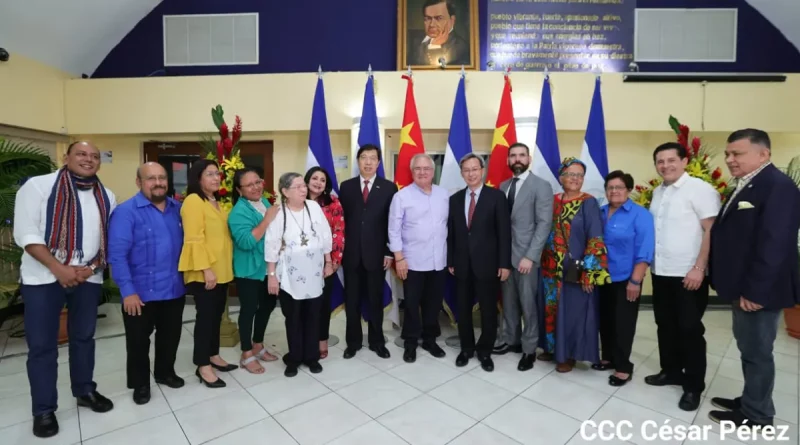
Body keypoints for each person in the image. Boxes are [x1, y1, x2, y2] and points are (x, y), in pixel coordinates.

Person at [13, 141, 116, 438]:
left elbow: (106, 239)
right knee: (43, 346)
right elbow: (26, 233)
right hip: (43, 278)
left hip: (87, 277)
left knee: (84, 338)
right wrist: (59, 268)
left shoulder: (106, 195)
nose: (89, 159)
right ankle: (44, 410)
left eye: (95, 156)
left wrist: (90, 269)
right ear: (66, 156)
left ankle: (85, 391)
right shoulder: (38, 187)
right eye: (82, 154)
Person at [708, 129, 800, 427]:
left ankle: (757, 415)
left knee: (758, 353)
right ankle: (751, 400)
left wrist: (757, 292)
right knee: (749, 349)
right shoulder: (749, 184)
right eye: (728, 154)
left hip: (759, 291)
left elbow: (775, 244)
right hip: (744, 286)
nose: (730, 160)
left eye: (737, 154)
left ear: (764, 154)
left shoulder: (778, 186)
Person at [646, 142, 720, 411]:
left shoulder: (700, 190)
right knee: (665, 325)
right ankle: (671, 371)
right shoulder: (657, 192)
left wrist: (699, 268)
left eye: (671, 160)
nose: (665, 165)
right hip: (661, 271)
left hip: (688, 274)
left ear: (684, 161)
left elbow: (711, 230)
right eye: (660, 161)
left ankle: (693, 386)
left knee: (689, 329)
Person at [108, 162, 186, 404]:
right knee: (138, 342)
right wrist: (127, 292)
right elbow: (117, 255)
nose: (158, 182)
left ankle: (165, 373)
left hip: (174, 288)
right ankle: (140, 384)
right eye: (151, 178)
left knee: (170, 337)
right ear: (139, 182)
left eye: (162, 177)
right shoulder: (126, 212)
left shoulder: (178, 209)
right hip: (139, 293)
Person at [540, 157, 611, 373]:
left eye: (579, 175)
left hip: (575, 270)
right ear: (561, 177)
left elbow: (595, 238)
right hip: (549, 268)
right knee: (550, 310)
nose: (575, 179)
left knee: (572, 313)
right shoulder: (552, 200)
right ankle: (552, 348)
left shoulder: (588, 202)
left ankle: (568, 354)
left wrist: (590, 272)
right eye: (571, 174)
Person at [265, 173, 333, 377]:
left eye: (304, 185)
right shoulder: (279, 213)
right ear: (285, 192)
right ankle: (294, 358)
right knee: (293, 317)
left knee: (313, 316)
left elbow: (325, 235)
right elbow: (272, 244)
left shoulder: (313, 207)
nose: (304, 189)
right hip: (289, 276)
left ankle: (311, 357)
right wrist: (271, 275)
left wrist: (328, 261)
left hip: (313, 274)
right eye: (298, 187)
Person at [447, 154, 511, 372]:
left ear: (482, 170)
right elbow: (452, 234)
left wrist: (504, 263)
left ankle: (485, 351)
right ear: (462, 173)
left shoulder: (496, 197)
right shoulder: (454, 199)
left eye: (475, 169)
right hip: (462, 265)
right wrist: (451, 260)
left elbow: (504, 233)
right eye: (466, 170)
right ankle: (466, 349)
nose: (471, 173)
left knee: (488, 311)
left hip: (489, 265)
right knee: (462, 309)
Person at [178, 159, 237, 389]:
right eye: (210, 174)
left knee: (215, 319)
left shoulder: (215, 201)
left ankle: (213, 355)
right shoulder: (193, 201)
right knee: (205, 320)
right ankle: (202, 365)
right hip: (206, 271)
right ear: (198, 178)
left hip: (220, 270)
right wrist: (206, 269)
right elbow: (194, 238)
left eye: (217, 174)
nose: (216, 178)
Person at [594, 170, 654, 386]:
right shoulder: (600, 212)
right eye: (610, 188)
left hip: (625, 279)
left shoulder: (640, 215)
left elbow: (644, 250)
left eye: (619, 187)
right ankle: (608, 357)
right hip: (601, 278)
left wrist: (635, 281)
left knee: (623, 323)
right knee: (605, 321)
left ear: (629, 190)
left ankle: (623, 366)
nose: (614, 191)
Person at [390, 153, 449, 363]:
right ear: (412, 171)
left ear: (433, 172)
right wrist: (399, 258)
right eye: (418, 169)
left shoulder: (443, 195)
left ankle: (430, 339)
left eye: (427, 169)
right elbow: (394, 230)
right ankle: (411, 342)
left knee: (433, 303)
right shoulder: (402, 196)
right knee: (412, 304)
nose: (422, 172)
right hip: (412, 261)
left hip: (438, 261)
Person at [498, 142, 553, 371]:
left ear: (529, 159)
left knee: (528, 305)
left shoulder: (541, 186)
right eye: (513, 156)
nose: (517, 159)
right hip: (505, 257)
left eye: (521, 155)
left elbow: (544, 224)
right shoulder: (502, 186)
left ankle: (529, 350)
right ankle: (512, 340)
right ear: (508, 160)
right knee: (508, 303)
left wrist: (530, 256)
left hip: (526, 258)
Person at [339, 144, 397, 359]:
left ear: (379, 163)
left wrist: (389, 252)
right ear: (358, 161)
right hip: (351, 256)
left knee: (375, 300)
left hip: (377, 256)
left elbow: (392, 223)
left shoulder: (389, 188)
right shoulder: (346, 187)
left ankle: (377, 341)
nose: (368, 162)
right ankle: (352, 342)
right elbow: (341, 222)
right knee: (352, 301)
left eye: (373, 158)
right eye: (364, 157)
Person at [227, 167, 280, 374]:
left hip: (267, 268)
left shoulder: (264, 202)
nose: (256, 187)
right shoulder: (238, 212)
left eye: (258, 182)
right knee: (249, 310)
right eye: (249, 185)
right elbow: (248, 241)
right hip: (248, 270)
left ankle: (258, 344)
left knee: (266, 307)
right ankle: (246, 353)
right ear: (239, 190)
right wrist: (267, 220)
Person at [305, 166, 345, 359]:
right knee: (304, 306)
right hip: (301, 265)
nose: (318, 182)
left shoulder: (333, 203)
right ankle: (305, 341)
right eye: (315, 178)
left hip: (325, 264)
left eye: (322, 180)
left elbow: (338, 232)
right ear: (307, 180)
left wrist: (334, 262)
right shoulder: (296, 202)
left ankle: (322, 341)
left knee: (322, 305)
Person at [408, 0, 470, 67]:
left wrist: (435, 46)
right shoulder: (413, 40)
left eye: (439, 18)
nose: (432, 24)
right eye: (428, 18)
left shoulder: (461, 47)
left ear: (452, 20)